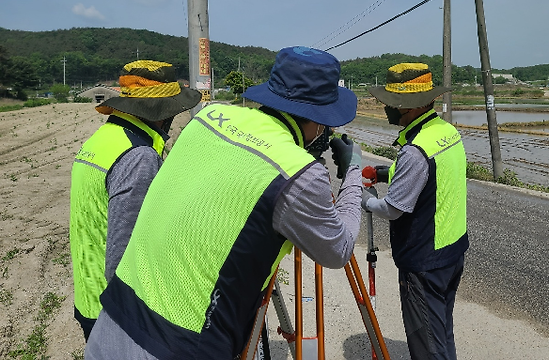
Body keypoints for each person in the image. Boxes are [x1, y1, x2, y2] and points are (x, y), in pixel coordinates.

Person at [85, 46, 363, 360]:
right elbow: (338, 249)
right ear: (318, 117)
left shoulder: (209, 117)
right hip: (180, 347)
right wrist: (352, 169)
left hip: (113, 323)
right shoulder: (299, 171)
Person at [69, 60, 201, 341]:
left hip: (89, 294)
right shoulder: (138, 157)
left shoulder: (103, 139)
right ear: (160, 112)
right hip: (116, 312)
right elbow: (124, 254)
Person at [363, 62, 468, 360]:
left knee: (427, 346)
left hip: (424, 261)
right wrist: (383, 172)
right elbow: (428, 173)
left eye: (390, 103)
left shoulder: (414, 150)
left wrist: (365, 200)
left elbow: (394, 208)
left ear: (408, 107)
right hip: (452, 250)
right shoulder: (445, 131)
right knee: (442, 331)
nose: (386, 109)